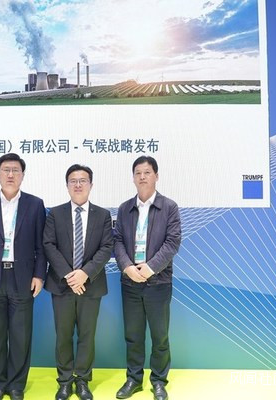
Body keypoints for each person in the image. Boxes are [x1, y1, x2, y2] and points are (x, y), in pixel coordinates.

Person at [0, 153, 47, 400]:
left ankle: (16, 385)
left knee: (21, 335)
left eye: (15, 170)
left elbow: (41, 246)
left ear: (23, 175)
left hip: (22, 277)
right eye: (6, 170)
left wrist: (39, 275)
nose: (10, 174)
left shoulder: (35, 205)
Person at [114, 156, 181, 400]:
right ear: (133, 178)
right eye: (138, 173)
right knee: (133, 335)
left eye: (147, 172)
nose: (142, 177)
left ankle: (159, 381)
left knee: (159, 336)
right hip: (130, 282)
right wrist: (127, 267)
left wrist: (150, 268)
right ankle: (133, 379)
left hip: (158, 282)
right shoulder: (125, 209)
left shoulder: (169, 207)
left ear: (156, 176)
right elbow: (117, 241)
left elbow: (173, 242)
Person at [43, 164, 113, 400]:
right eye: (73, 181)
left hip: (90, 285)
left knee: (87, 335)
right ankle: (64, 381)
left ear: (91, 185)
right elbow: (48, 245)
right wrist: (70, 275)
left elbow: (106, 247)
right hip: (62, 285)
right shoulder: (55, 214)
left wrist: (84, 273)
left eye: (83, 180)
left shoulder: (103, 215)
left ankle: (82, 380)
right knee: (63, 335)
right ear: (67, 185)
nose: (78, 185)